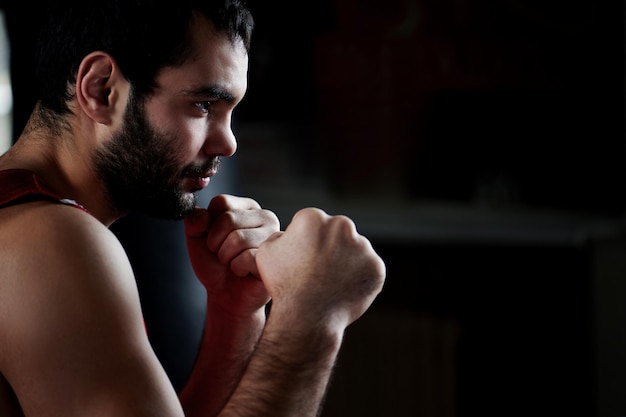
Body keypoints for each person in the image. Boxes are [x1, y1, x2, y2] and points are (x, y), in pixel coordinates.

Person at [0, 1, 386, 416]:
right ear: (101, 90)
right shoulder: (49, 239)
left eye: (230, 112)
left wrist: (234, 316)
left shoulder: (28, 216)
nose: (229, 144)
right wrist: (311, 318)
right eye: (203, 105)